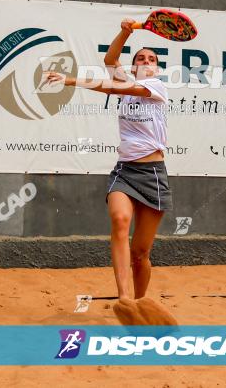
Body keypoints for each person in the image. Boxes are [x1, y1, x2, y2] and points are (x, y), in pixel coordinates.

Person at [43, 18, 176, 325]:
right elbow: (109, 60)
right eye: (140, 58)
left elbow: (112, 85)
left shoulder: (155, 87)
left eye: (151, 59)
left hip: (153, 174)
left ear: (156, 69)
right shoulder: (128, 85)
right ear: (134, 66)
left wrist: (72, 81)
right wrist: (126, 32)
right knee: (119, 220)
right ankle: (125, 300)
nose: (145, 62)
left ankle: (140, 306)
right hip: (124, 171)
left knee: (140, 254)